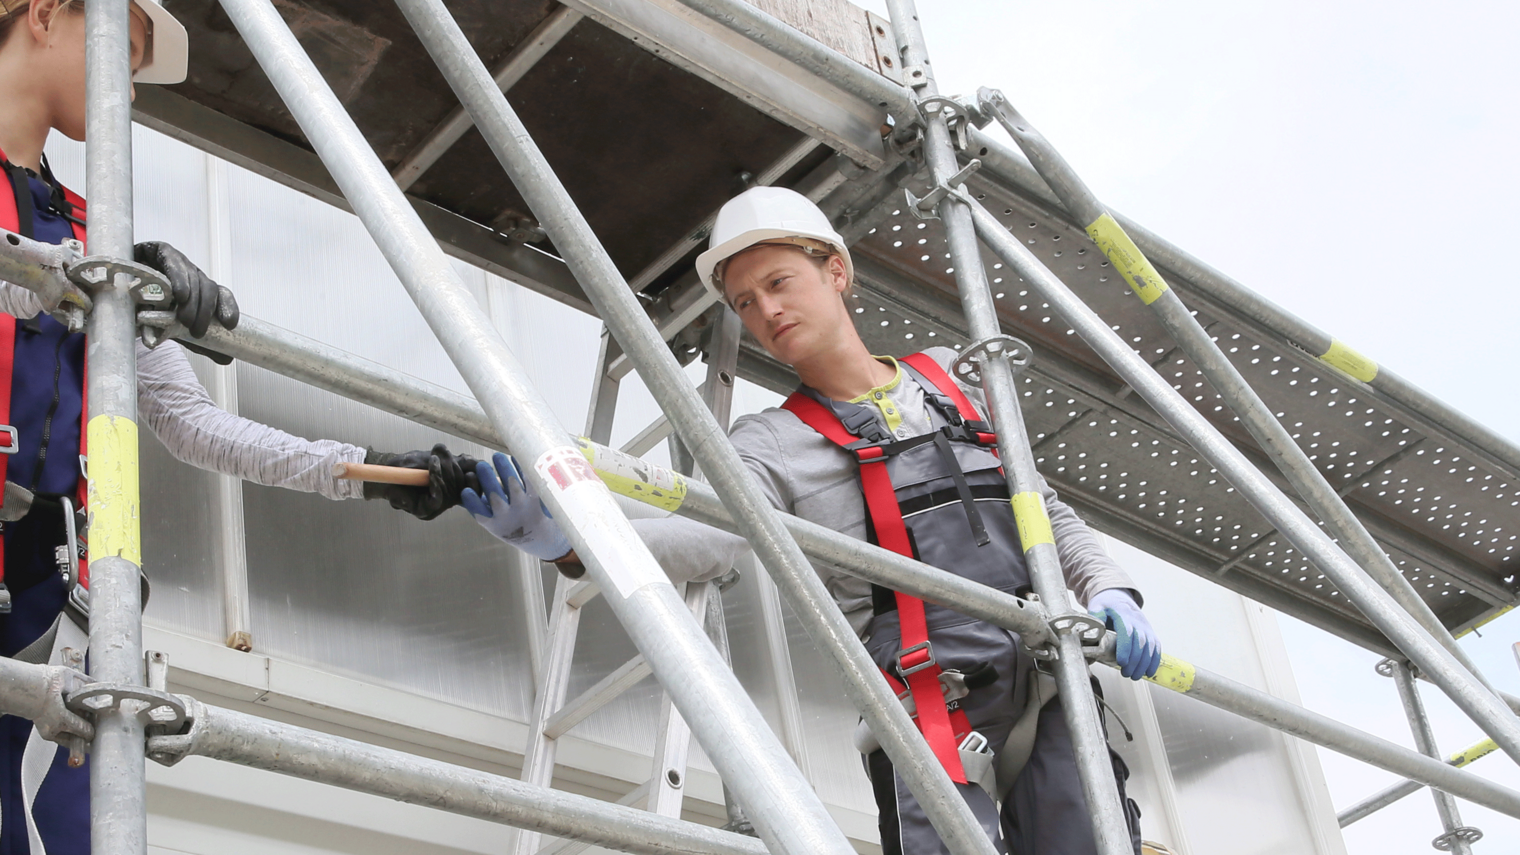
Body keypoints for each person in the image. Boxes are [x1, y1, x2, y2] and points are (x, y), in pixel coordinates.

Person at [465, 186, 1162, 853]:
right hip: (925, 703)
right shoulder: (771, 442)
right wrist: (570, 542)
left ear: (835, 271)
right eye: (744, 301)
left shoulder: (959, 377)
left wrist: (1110, 590)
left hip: (1049, 678)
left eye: (778, 282)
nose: (764, 310)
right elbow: (706, 540)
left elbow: (1041, 505)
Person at [0, 2, 475, 852]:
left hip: (52, 587)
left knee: (82, 831)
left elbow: (192, 424)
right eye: (123, 54)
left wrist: (373, 471)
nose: (130, 94)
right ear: (44, 14)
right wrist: (69, 277)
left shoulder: (85, 228)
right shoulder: (78, 247)